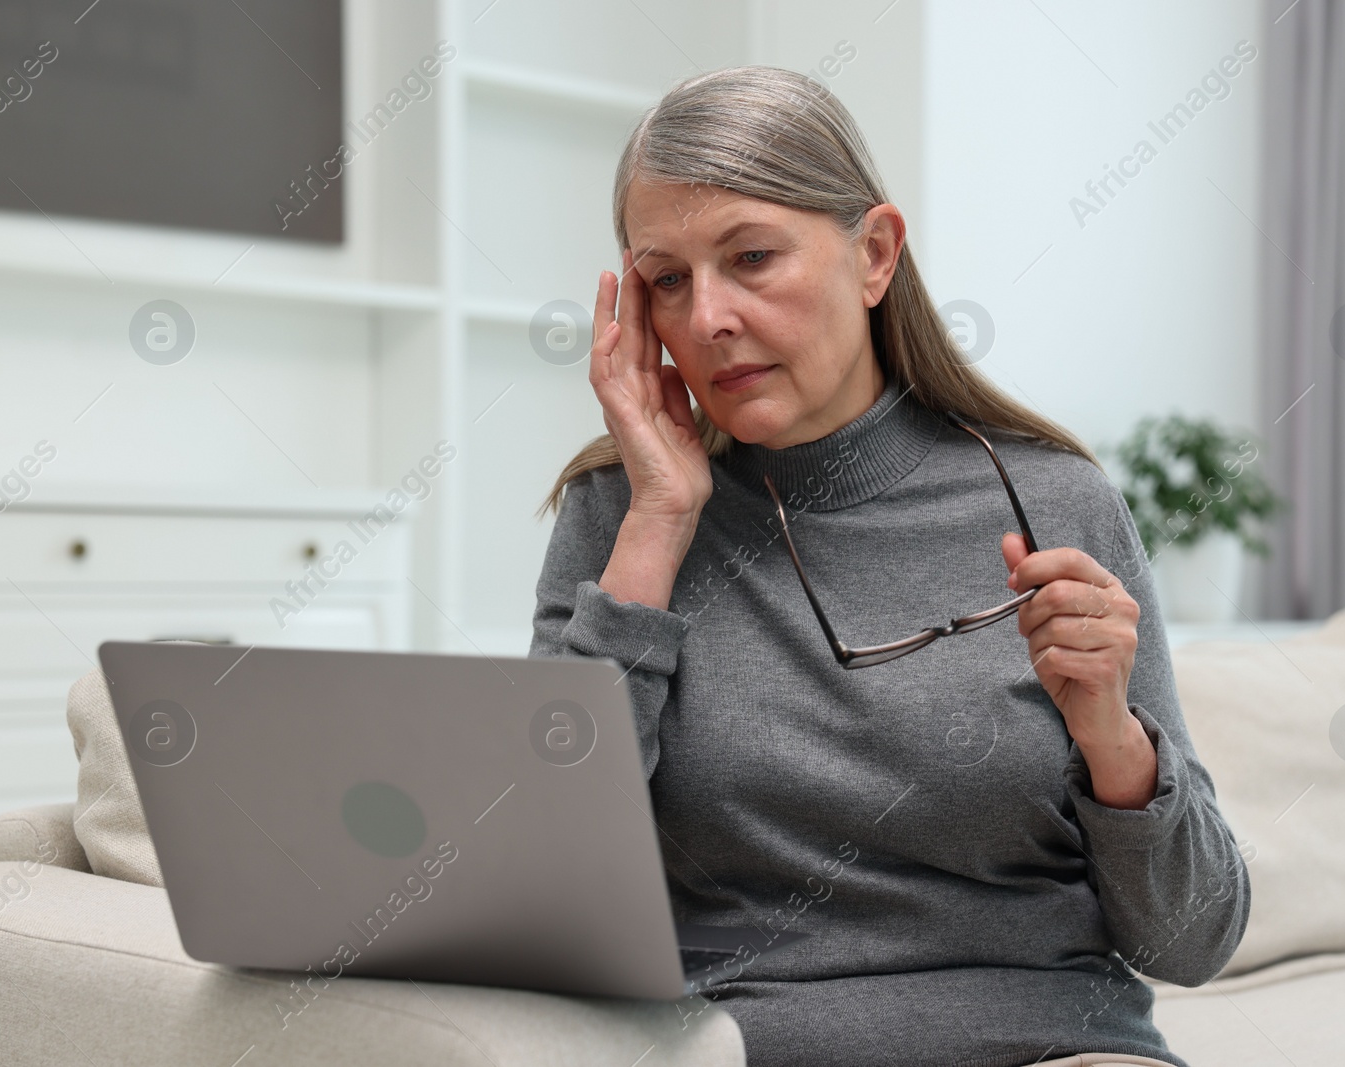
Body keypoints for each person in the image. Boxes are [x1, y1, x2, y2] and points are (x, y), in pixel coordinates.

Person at [530, 66, 1249, 1067]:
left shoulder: (1057, 501)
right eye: (666, 279)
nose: (707, 319)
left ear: (874, 254)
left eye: (749, 257)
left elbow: (1194, 937)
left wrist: (1109, 734)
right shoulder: (620, 518)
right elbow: (539, 874)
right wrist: (660, 521)